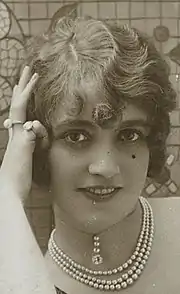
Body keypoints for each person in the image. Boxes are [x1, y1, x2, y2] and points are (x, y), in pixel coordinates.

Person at [0, 5, 180, 294]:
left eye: (129, 134)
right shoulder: (24, 279)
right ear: (36, 151)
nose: (105, 167)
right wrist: (6, 191)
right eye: (76, 137)